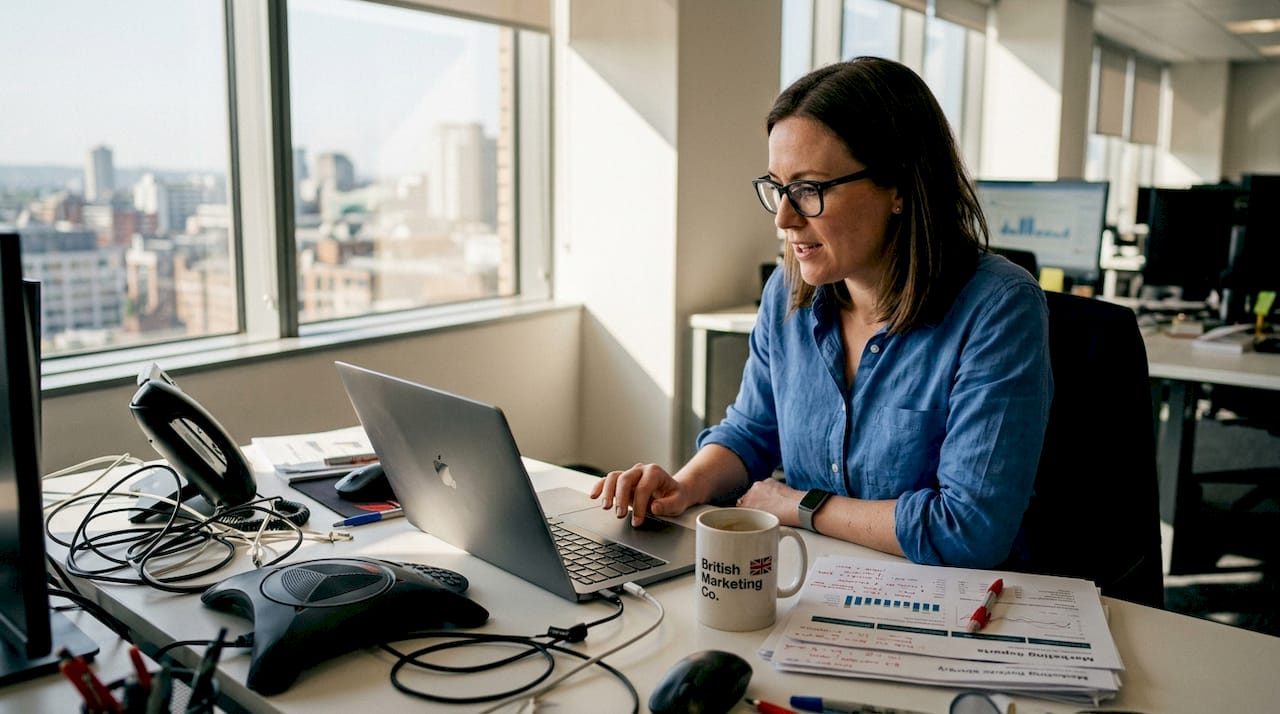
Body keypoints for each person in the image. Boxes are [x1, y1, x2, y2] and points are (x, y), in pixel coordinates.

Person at [591, 57, 1053, 568]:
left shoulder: (997, 308)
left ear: (897, 186)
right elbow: (750, 433)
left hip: (949, 607)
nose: (784, 219)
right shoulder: (787, 292)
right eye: (778, 189)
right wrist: (684, 485)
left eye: (809, 190)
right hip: (813, 583)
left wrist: (798, 506)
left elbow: (969, 530)